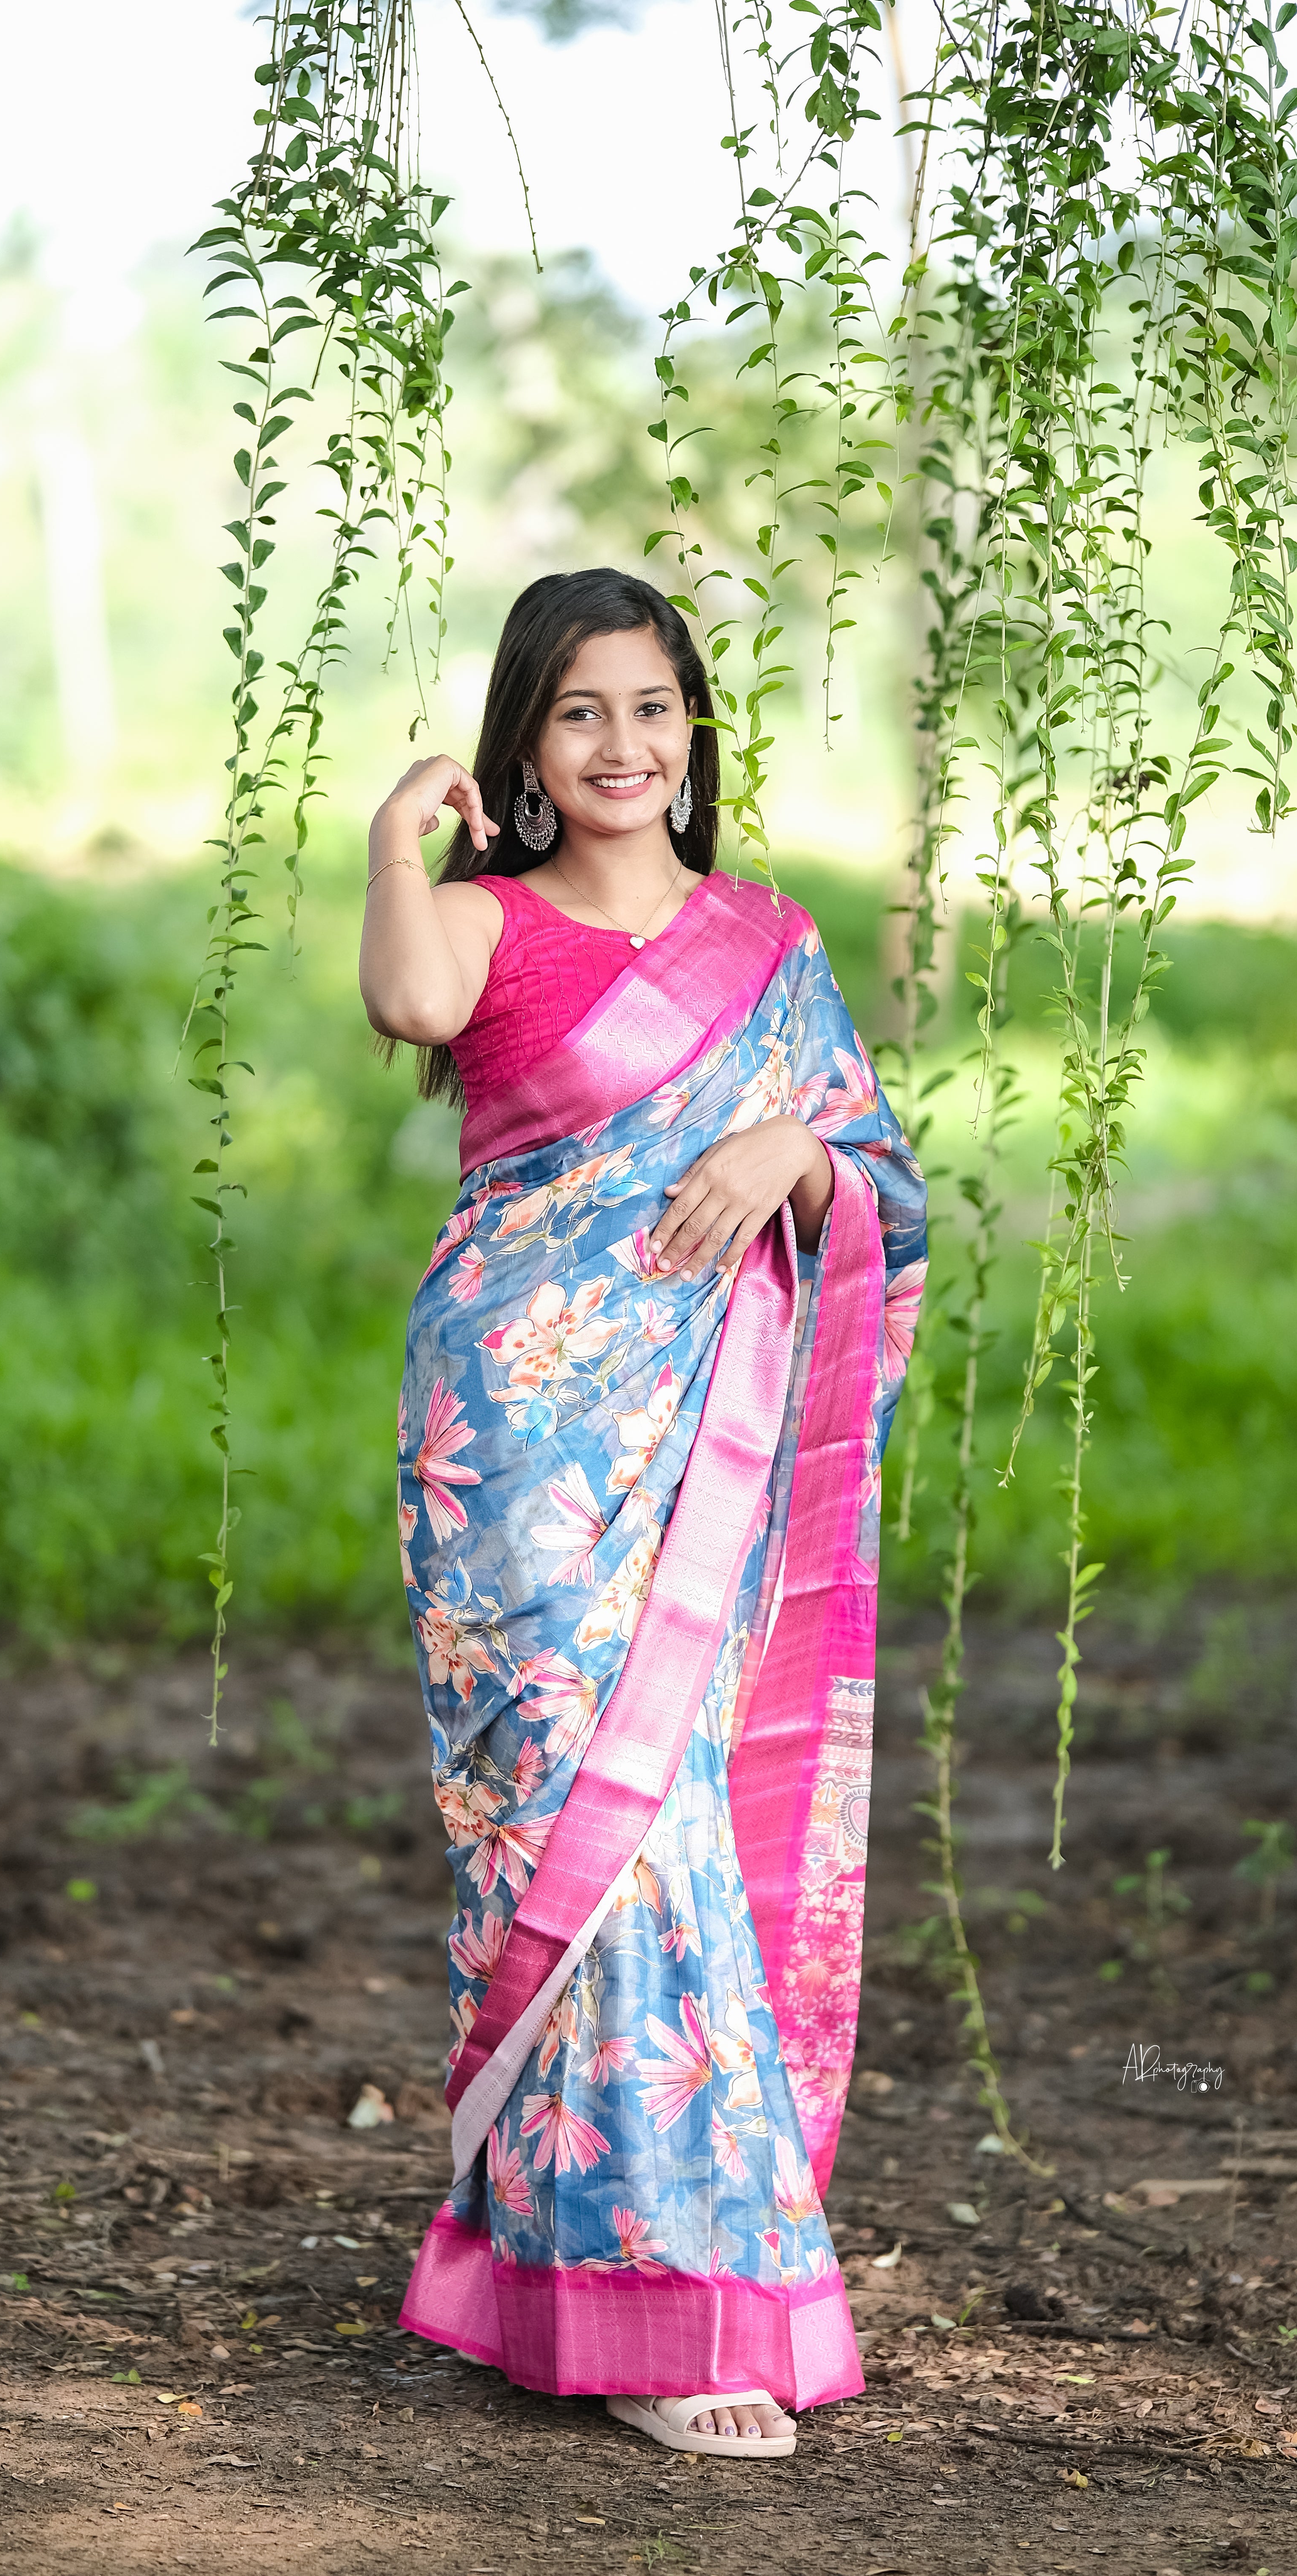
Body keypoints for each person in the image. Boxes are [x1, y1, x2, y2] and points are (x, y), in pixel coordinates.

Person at [358, 567, 926, 2459]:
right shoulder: (481, 919)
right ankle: (608, 2282)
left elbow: (880, 1180)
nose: (623, 746)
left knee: (666, 1818)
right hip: (514, 1449)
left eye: (654, 709)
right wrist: (387, 842)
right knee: (556, 1832)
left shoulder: (769, 944)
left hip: (706, 1444)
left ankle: (650, 2281)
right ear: (527, 741)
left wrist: (802, 1152)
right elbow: (404, 996)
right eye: (581, 713)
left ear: (694, 733)